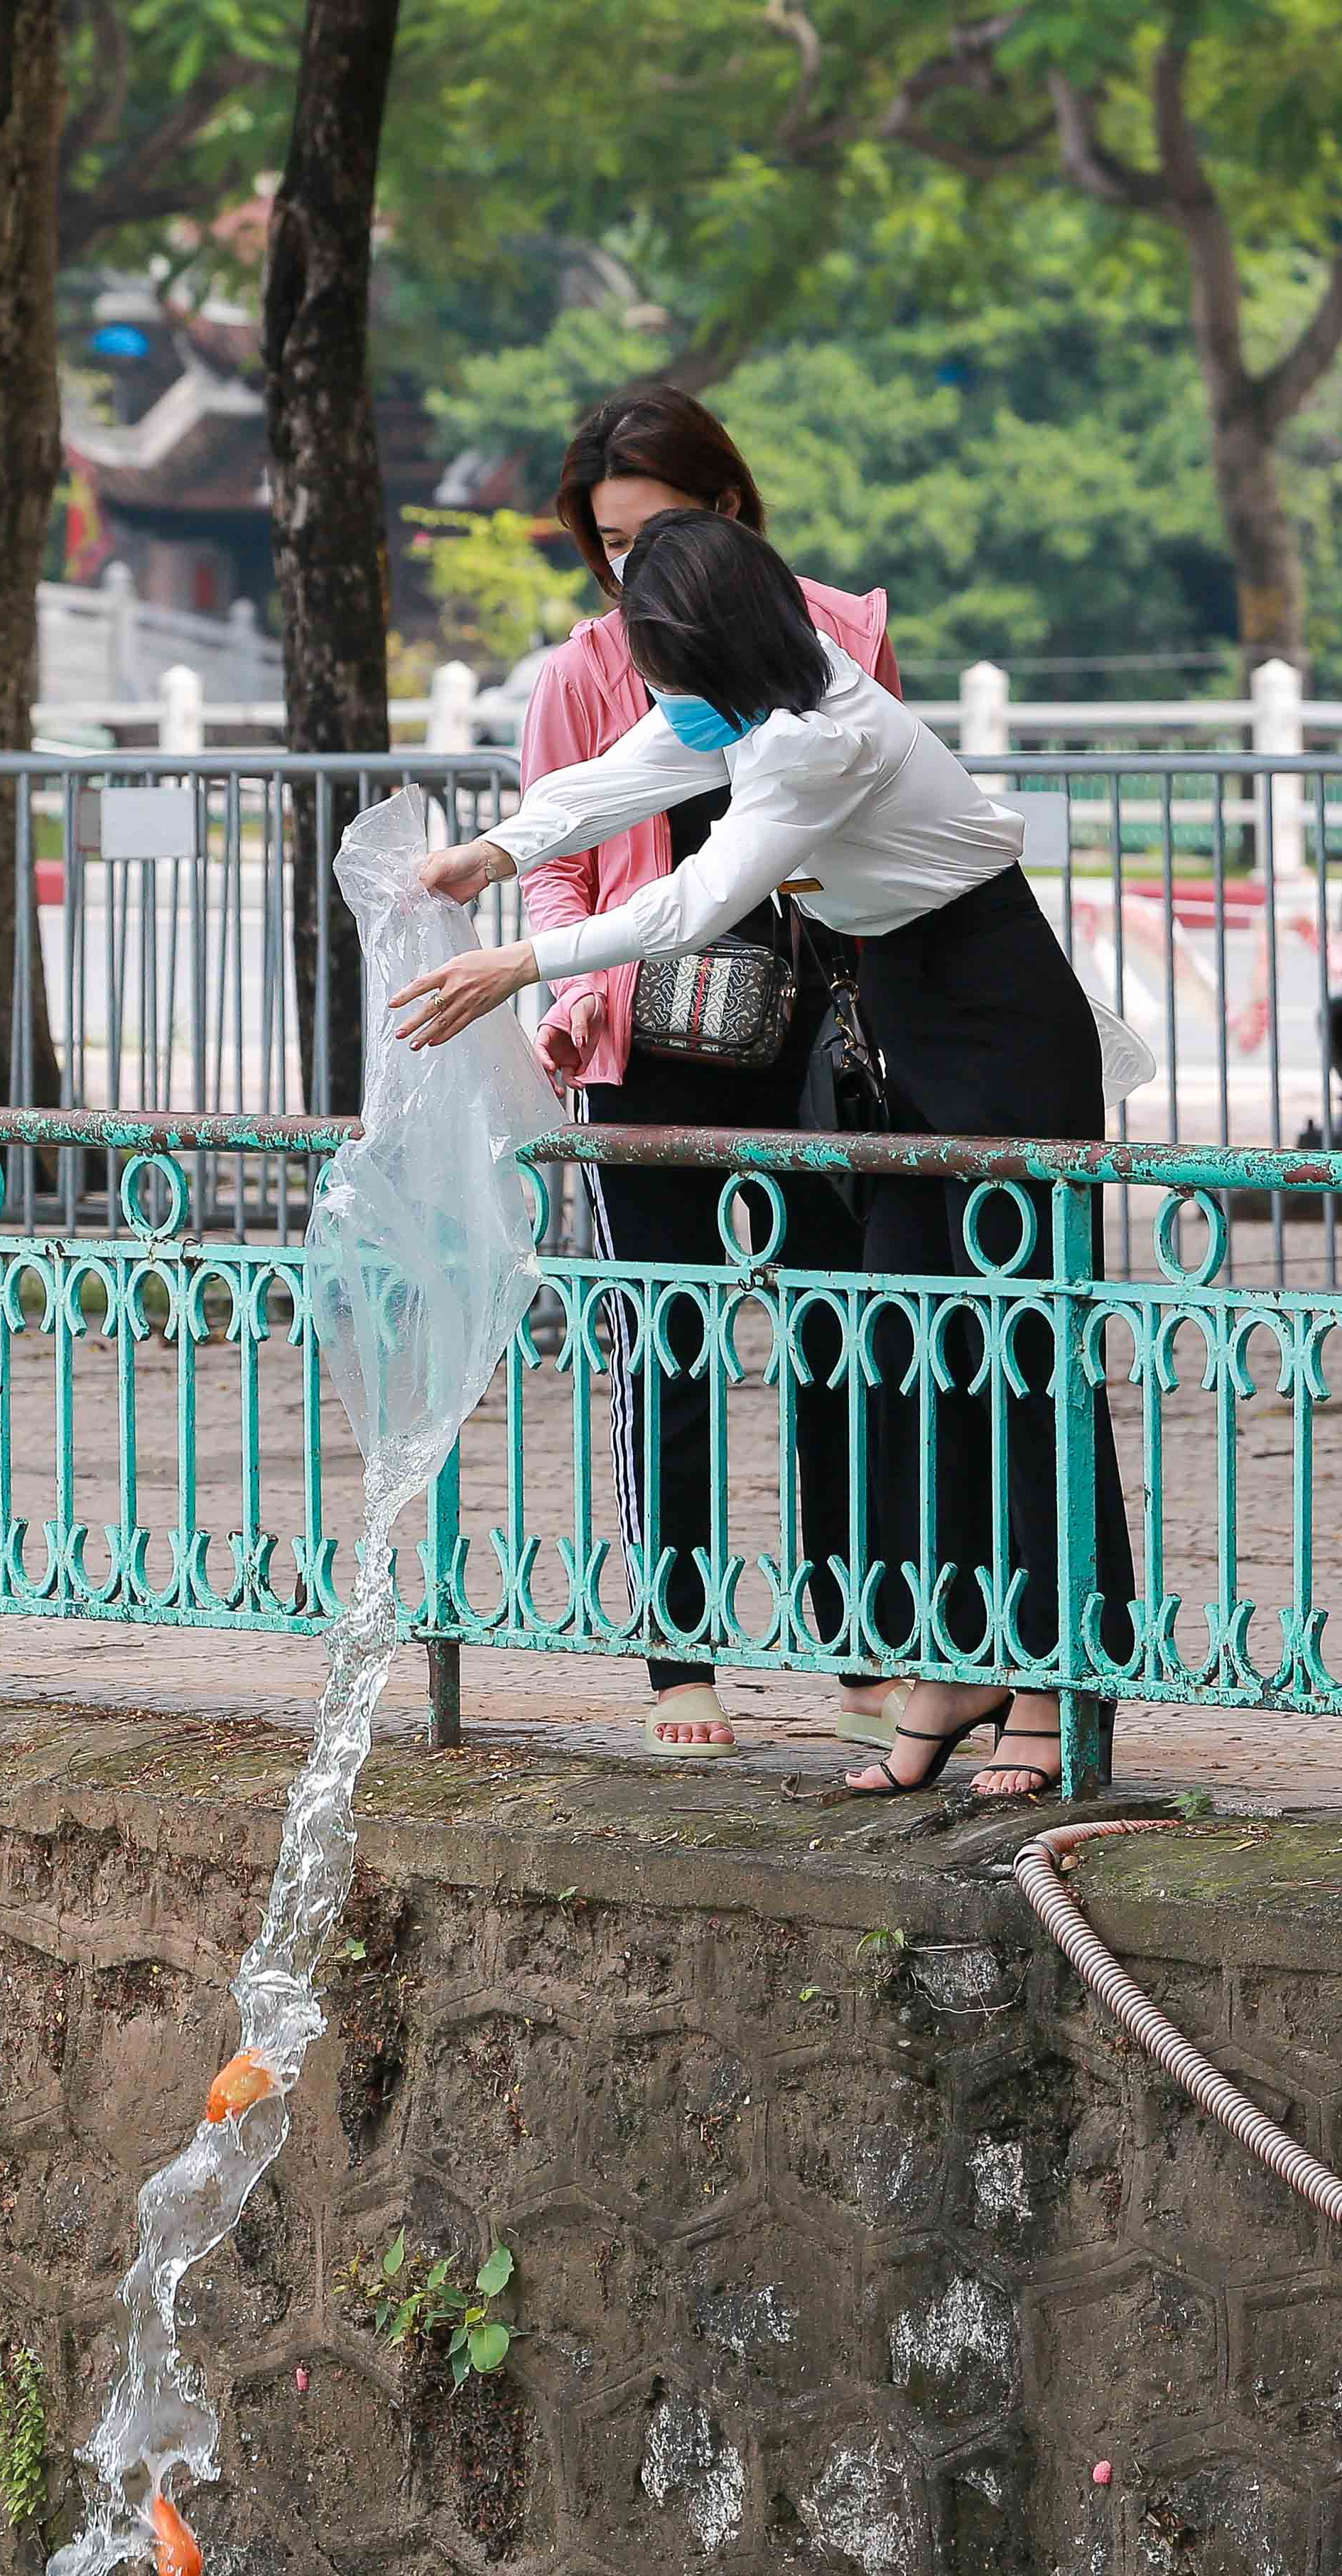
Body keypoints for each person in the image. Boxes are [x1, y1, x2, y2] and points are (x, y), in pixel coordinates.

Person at [391, 509, 1137, 1804]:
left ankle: (1065, 1672)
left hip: (999, 1027)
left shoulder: (816, 737)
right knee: (903, 1344)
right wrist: (497, 851)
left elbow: (694, 899)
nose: (654, 683)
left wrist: (518, 959)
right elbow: (619, 775)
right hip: (903, 1024)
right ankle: (961, 1655)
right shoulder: (744, 705)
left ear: (716, 642)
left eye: (663, 653)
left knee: (1016, 1354)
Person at [519, 387, 899, 1760]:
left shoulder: (839, 633)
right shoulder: (580, 672)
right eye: (609, 544)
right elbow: (556, 858)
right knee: (661, 1344)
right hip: (641, 1039)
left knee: (841, 1334)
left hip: (809, 1035)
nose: (633, 570)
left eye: (659, 530)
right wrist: (564, 991)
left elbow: (872, 837)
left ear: (732, 509)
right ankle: (679, 1659)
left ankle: (865, 1636)